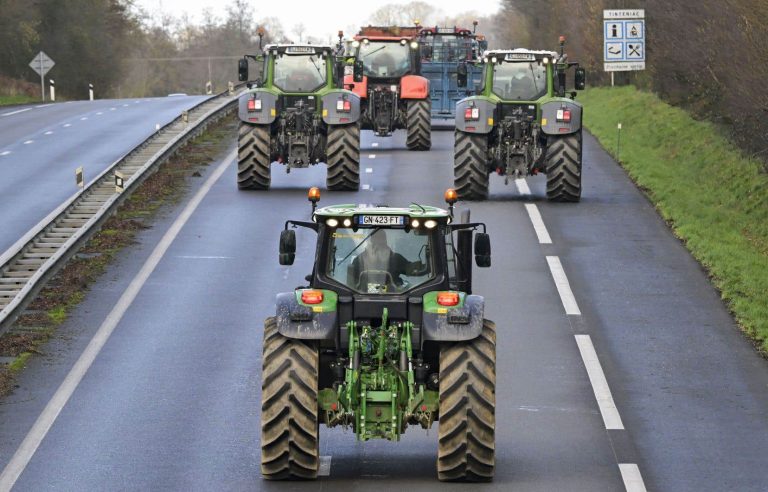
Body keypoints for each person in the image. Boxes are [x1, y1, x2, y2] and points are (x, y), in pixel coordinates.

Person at [346, 230, 425, 292]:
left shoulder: (395, 258)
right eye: (376, 238)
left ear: (385, 241)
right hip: (363, 297)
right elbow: (352, 284)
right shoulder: (359, 260)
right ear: (371, 241)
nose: (379, 241)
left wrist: (428, 266)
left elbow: (412, 269)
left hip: (396, 297)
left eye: (381, 238)